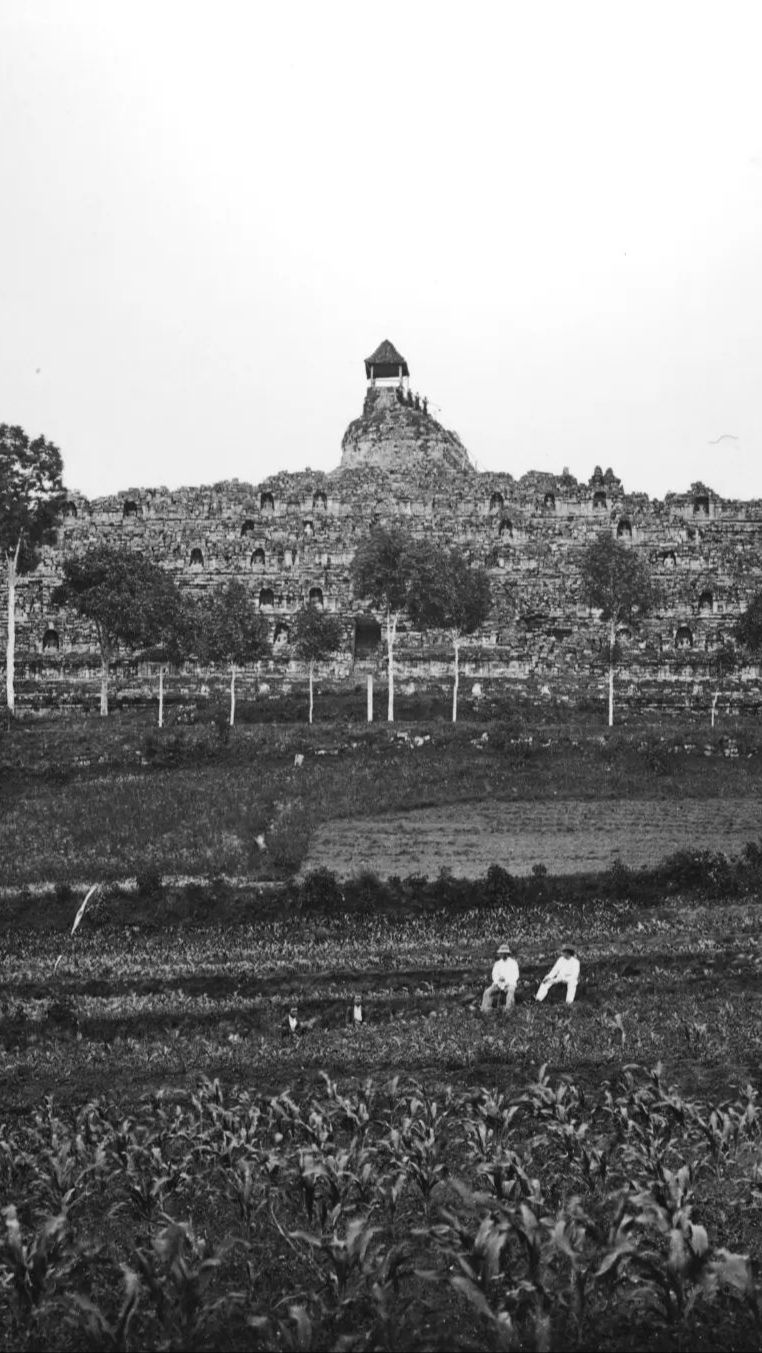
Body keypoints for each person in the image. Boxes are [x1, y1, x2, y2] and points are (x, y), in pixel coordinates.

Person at [481, 943, 519, 1013]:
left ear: (507, 953)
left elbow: (515, 975)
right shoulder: (497, 964)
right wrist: (498, 980)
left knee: (510, 991)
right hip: (498, 984)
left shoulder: (513, 963)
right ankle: (485, 1009)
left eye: (503, 953)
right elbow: (494, 974)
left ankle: (509, 1010)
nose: (501, 955)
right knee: (487, 992)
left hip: (509, 984)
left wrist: (507, 982)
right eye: (501, 953)